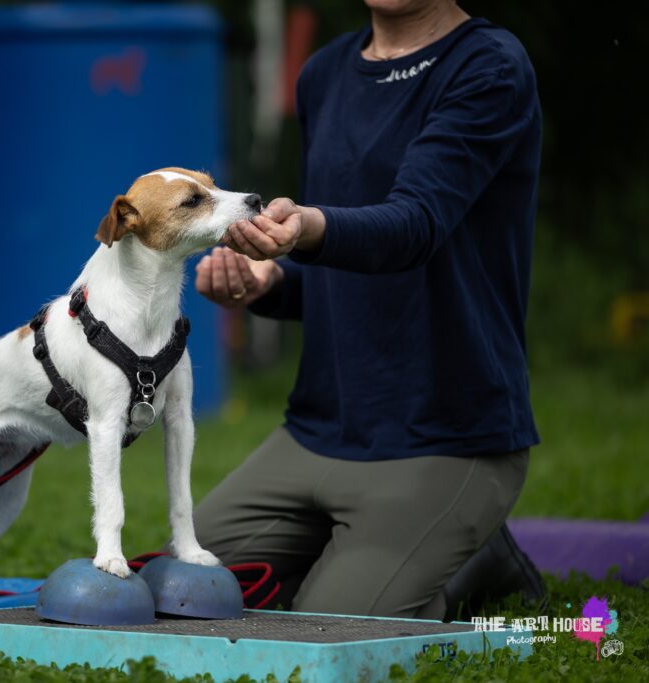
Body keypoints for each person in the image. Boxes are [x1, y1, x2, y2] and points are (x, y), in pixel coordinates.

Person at [192, 0, 544, 619]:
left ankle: (477, 561)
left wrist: (302, 229)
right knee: (178, 591)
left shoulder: (489, 66)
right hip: (319, 432)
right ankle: (384, 549)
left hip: (448, 436)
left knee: (327, 629)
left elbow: (412, 227)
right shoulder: (324, 73)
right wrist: (267, 280)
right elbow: (344, 259)